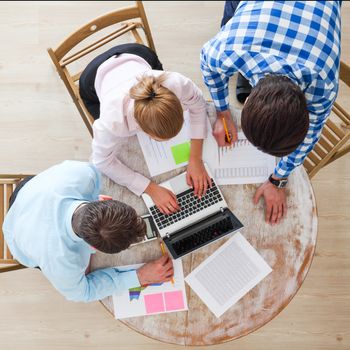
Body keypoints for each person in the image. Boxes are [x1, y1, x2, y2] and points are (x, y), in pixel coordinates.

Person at [200, 1, 341, 224]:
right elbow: (208, 66)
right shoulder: (227, 48)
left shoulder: (323, 84)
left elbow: (310, 136)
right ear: (246, 103)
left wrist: (278, 180)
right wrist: (223, 112)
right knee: (231, 14)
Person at [2, 161, 174, 302]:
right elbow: (81, 292)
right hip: (18, 237)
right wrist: (140, 276)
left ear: (104, 200)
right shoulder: (60, 261)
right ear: (93, 247)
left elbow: (94, 177)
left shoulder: (82, 175)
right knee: (82, 272)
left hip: (33, 193)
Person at [79, 43, 211, 215]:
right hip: (93, 76)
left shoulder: (177, 83)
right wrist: (150, 188)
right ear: (140, 128)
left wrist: (195, 157)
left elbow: (198, 106)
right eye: (157, 139)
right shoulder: (112, 122)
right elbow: (102, 161)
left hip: (137, 53)